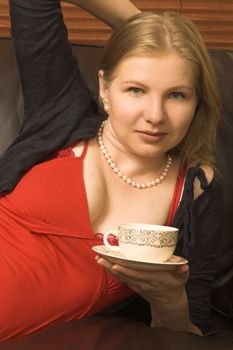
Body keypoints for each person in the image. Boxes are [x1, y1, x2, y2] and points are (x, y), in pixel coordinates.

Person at [0, 0, 223, 341]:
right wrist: (154, 28)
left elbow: (187, 332)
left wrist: (169, 302)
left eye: (176, 95)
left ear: (197, 102)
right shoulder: (62, 112)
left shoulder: (196, 191)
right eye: (136, 89)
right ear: (105, 88)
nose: (155, 115)